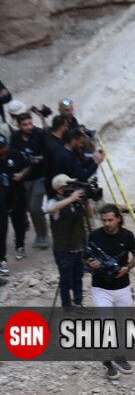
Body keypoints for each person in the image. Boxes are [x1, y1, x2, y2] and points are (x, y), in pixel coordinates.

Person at [83, 204, 135, 379]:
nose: (107, 223)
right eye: (104, 220)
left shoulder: (127, 236)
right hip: (101, 287)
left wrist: (127, 268)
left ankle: (120, 356)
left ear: (118, 219)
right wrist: (90, 263)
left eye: (110, 220)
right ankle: (107, 361)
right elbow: (86, 256)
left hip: (123, 286)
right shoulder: (94, 236)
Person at [46, 174, 92, 309]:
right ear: (60, 189)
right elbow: (50, 209)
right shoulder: (54, 201)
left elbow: (90, 215)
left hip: (79, 246)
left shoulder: (77, 201)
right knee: (65, 281)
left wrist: (87, 200)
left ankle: (78, 302)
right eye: (68, 186)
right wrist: (71, 199)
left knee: (78, 277)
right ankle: (67, 308)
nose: (72, 189)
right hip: (63, 249)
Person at [11, 112, 50, 250]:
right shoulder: (15, 138)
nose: (28, 127)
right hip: (25, 179)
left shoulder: (39, 134)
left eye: (30, 123)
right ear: (19, 126)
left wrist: (40, 158)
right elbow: (13, 154)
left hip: (40, 176)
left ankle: (43, 236)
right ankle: (39, 234)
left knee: (35, 207)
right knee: (29, 208)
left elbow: (48, 149)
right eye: (25, 125)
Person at [0, 134, 31, 274]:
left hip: (17, 194)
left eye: (4, 146)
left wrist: (21, 175)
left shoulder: (14, 153)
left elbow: (27, 166)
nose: (3, 149)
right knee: (1, 229)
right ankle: (2, 259)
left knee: (19, 223)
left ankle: (20, 246)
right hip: (1, 198)